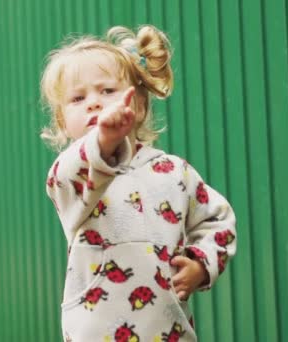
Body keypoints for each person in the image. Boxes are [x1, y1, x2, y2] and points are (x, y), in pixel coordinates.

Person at [41, 24, 237, 342]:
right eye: (78, 98)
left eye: (107, 91)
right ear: (63, 121)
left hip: (168, 330)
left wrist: (201, 265)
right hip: (95, 332)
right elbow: (68, 173)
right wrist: (104, 140)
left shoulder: (176, 173)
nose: (93, 102)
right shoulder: (71, 174)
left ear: (139, 104)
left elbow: (218, 221)